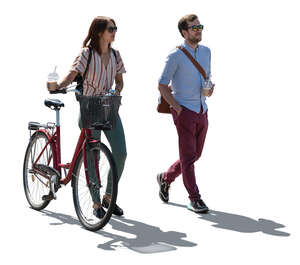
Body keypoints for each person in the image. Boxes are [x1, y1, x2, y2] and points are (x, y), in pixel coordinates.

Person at [47, 16, 127, 218]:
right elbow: (73, 74)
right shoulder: (87, 53)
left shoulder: (116, 55)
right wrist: (59, 87)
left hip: (108, 108)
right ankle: (96, 202)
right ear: (100, 32)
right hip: (89, 107)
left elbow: (119, 81)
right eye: (111, 29)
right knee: (94, 155)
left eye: (115, 28)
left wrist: (116, 90)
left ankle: (109, 197)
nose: (115, 32)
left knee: (120, 153)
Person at [157, 14, 214, 213]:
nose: (198, 30)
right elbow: (162, 85)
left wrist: (210, 88)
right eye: (194, 27)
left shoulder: (207, 52)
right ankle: (194, 198)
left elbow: (207, 78)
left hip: (202, 109)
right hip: (184, 112)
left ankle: (166, 177)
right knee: (188, 157)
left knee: (195, 154)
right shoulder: (175, 55)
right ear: (184, 32)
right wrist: (178, 109)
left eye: (200, 26)